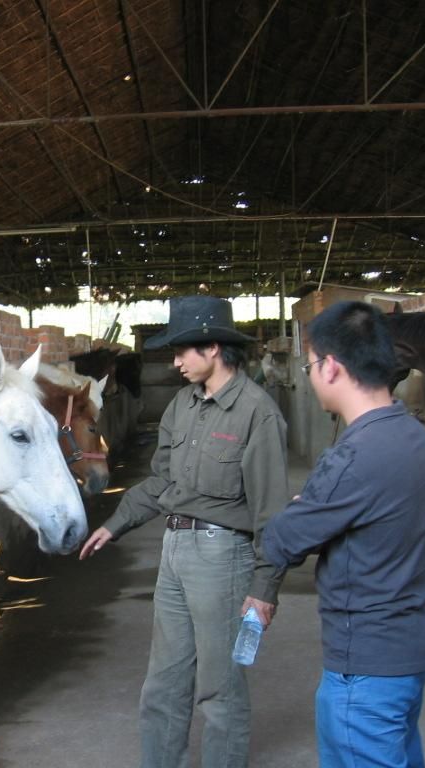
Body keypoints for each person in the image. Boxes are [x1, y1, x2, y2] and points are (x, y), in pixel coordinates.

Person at [80, 295, 289, 768]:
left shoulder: (257, 413)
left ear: (213, 347)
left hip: (223, 558)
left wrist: (264, 588)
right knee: (163, 684)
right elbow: (164, 482)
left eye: (182, 351)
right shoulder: (182, 404)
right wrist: (117, 522)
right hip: (174, 550)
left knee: (220, 688)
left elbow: (271, 511)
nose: (174, 362)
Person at [261, 300, 425, 768]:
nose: (309, 375)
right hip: (409, 648)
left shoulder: (354, 456)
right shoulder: (413, 435)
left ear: (333, 367)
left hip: (365, 663)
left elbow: (282, 539)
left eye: (310, 364)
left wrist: (302, 512)